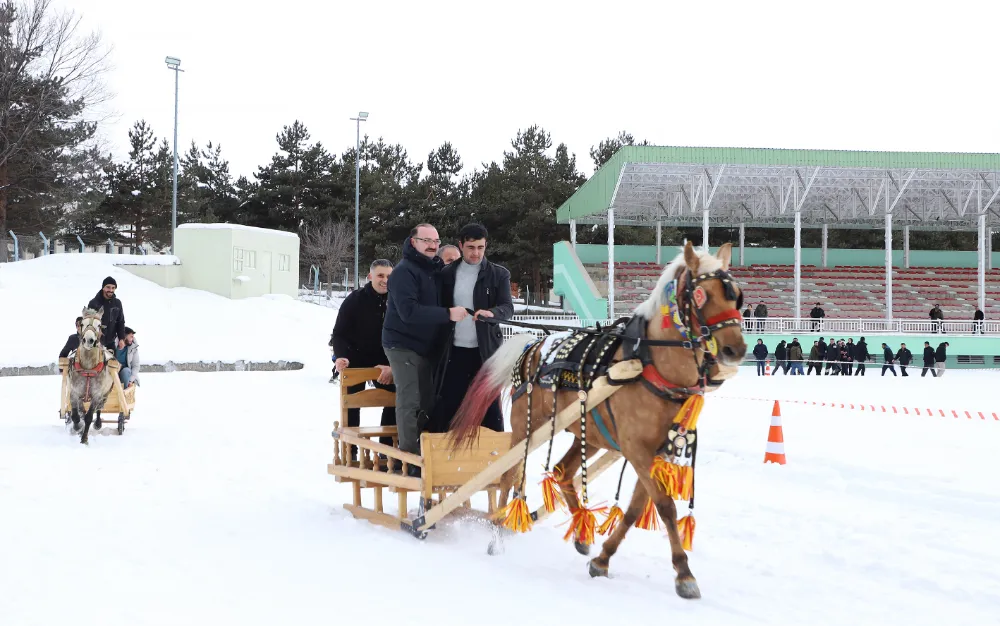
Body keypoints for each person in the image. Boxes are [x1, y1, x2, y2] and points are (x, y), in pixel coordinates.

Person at [382, 224, 467, 472]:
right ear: (413, 242)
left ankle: (422, 449)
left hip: (427, 348)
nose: (432, 245)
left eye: (436, 241)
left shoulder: (435, 270)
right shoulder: (403, 273)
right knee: (410, 399)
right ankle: (409, 458)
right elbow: (409, 312)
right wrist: (448, 314)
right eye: (426, 240)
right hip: (402, 344)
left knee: (428, 402)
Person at [431, 223, 514, 433]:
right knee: (449, 405)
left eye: (480, 247)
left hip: (485, 353)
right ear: (461, 245)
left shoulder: (499, 274)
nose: (476, 252)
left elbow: (507, 307)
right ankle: (446, 457)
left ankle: (494, 458)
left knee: (489, 408)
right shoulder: (446, 274)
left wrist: (492, 313)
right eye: (470, 247)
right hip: (453, 352)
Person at [332, 259, 397, 456]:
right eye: (380, 275)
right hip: (356, 359)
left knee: (397, 399)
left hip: (386, 362)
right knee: (352, 403)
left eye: (389, 276)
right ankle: (351, 450)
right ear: (370, 277)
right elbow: (339, 333)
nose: (385, 280)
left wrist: (393, 364)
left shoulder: (398, 299)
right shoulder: (355, 300)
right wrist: (341, 356)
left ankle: (386, 449)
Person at [87, 276, 126, 352]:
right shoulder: (94, 303)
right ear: (103, 288)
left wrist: (121, 338)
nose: (110, 290)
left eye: (113, 288)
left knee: (113, 363)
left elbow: (120, 322)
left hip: (110, 342)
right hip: (95, 343)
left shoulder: (117, 303)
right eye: (108, 287)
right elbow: (88, 323)